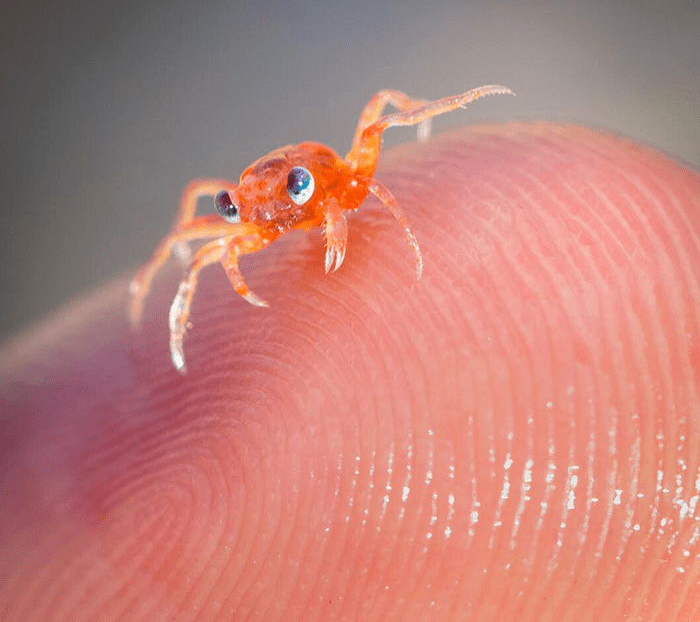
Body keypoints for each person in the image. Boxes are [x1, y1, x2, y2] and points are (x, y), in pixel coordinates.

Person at [2, 122, 699, 620]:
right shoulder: (253, 212)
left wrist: (335, 197)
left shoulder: (341, 183)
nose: (264, 216)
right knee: (200, 253)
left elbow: (382, 121)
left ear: (312, 182)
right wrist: (172, 272)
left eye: (293, 192)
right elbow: (216, 217)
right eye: (239, 208)